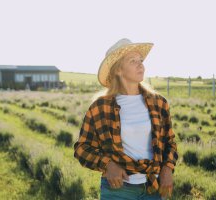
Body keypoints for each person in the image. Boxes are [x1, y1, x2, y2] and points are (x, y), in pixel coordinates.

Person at [73, 38, 178, 200]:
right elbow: (82, 148)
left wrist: (167, 169)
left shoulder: (159, 103)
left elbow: (169, 143)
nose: (140, 65)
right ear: (118, 70)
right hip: (118, 189)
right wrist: (108, 165)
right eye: (133, 61)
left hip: (153, 186)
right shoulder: (100, 108)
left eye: (140, 60)